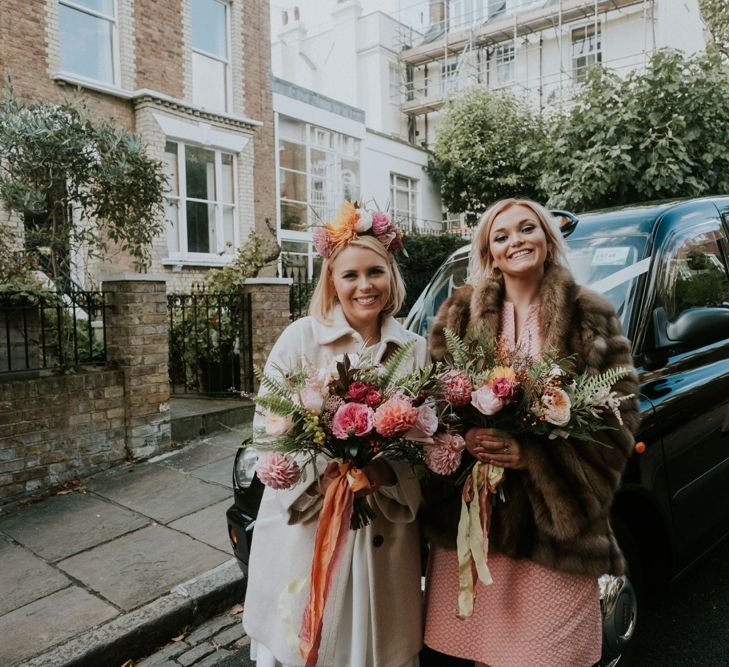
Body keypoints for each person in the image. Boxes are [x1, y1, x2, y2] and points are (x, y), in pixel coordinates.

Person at [421, 198, 641, 667]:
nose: (515, 241)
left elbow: (621, 416)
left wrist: (534, 457)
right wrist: (463, 442)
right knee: (483, 654)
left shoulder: (590, 314)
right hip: (478, 521)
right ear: (489, 252)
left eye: (527, 229)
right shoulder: (457, 315)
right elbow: (432, 405)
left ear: (546, 239)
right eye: (501, 236)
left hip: (553, 529)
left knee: (549, 657)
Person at [242, 204, 428, 667]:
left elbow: (428, 438)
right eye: (350, 275)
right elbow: (269, 427)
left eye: (375, 272)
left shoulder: (414, 348)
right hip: (309, 526)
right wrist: (324, 478)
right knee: (310, 638)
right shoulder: (299, 338)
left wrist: (384, 471)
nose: (364, 286)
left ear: (392, 277)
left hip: (381, 530)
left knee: (372, 646)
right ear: (332, 281)